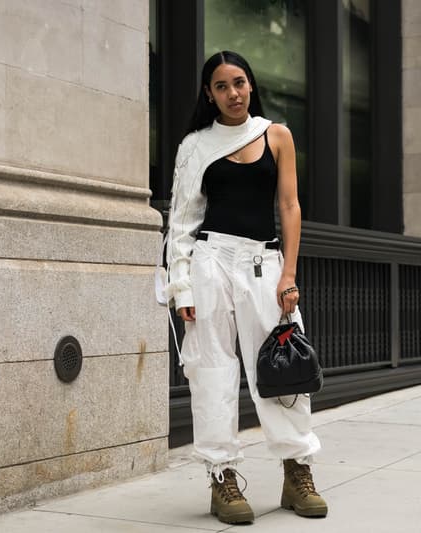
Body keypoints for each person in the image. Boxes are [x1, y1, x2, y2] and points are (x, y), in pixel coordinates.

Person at [164, 50, 327, 525]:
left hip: (265, 264)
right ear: (209, 94)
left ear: (251, 85)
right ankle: (223, 479)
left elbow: (291, 207)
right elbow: (182, 220)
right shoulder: (196, 145)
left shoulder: (276, 135)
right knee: (211, 370)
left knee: (284, 368)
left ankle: (297, 472)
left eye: (239, 83)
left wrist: (289, 275)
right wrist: (182, 289)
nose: (232, 93)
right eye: (221, 86)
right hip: (210, 263)